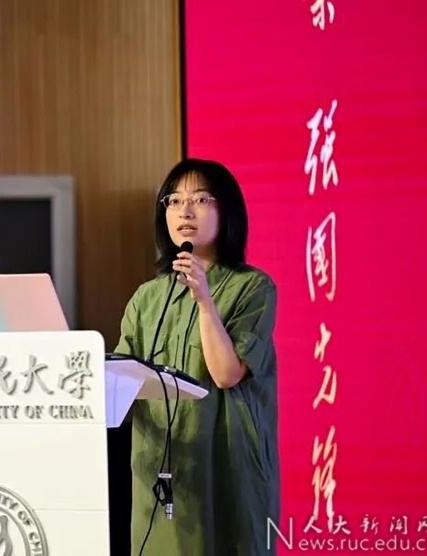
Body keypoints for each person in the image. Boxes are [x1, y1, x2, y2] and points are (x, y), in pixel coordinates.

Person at [114, 158, 280, 555]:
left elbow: (226, 374)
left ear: (227, 212)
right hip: (160, 472)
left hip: (226, 470)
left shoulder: (253, 287)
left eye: (201, 199)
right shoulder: (146, 298)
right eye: (174, 200)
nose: (184, 211)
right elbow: (119, 386)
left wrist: (204, 300)